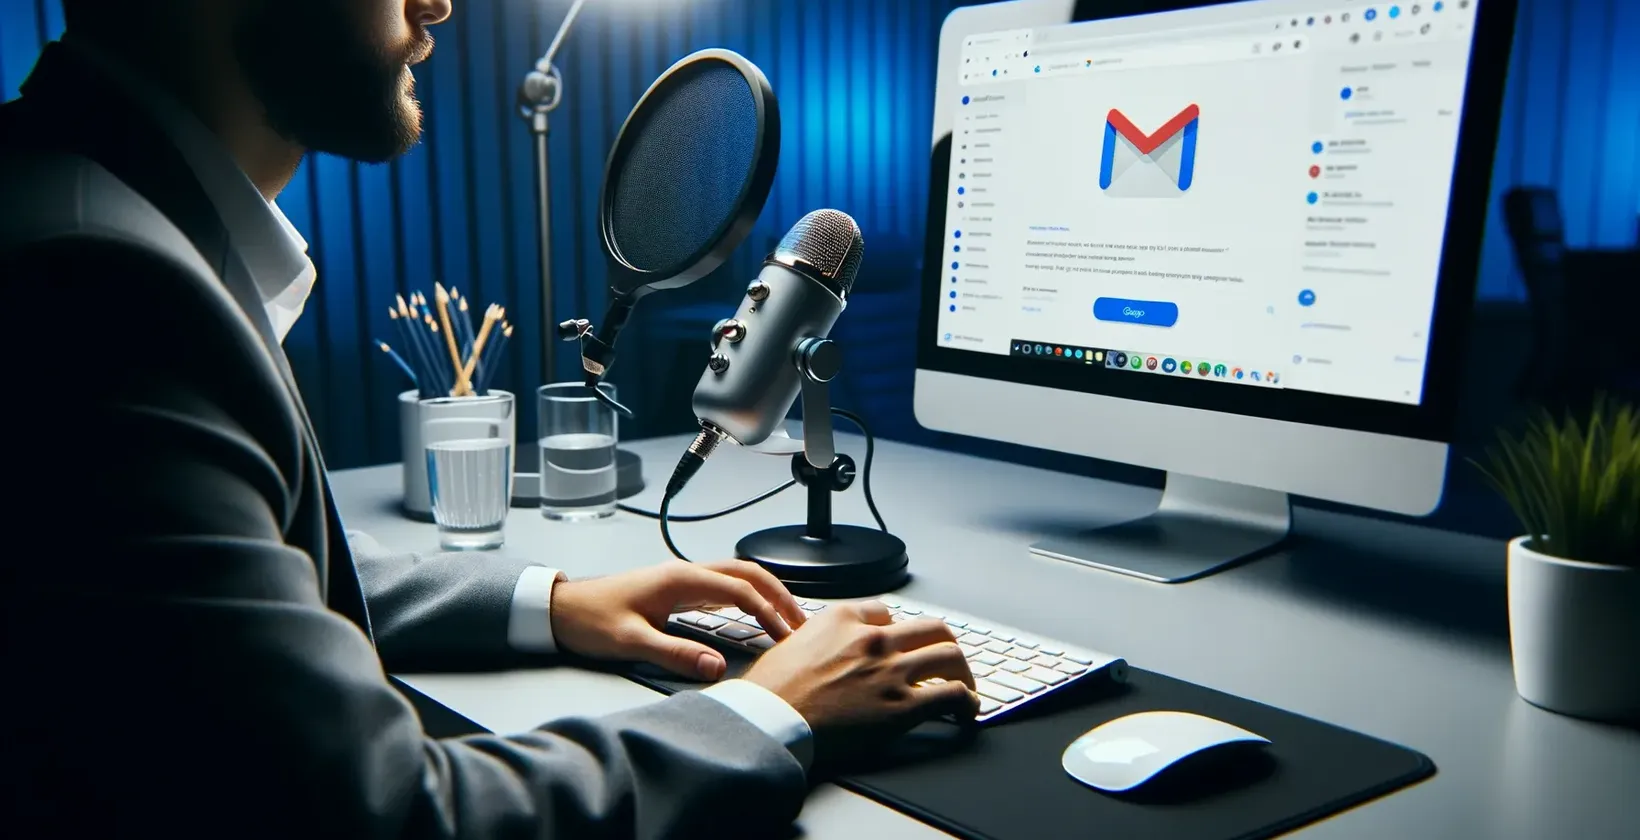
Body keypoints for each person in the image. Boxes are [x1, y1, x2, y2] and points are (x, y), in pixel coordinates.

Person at [0, 0, 978, 836]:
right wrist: (769, 712)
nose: (437, 4)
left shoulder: (79, 205)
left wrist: (552, 603)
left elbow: (234, 595)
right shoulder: (97, 285)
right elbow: (389, 816)